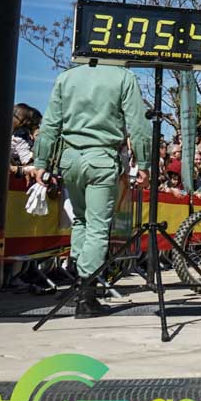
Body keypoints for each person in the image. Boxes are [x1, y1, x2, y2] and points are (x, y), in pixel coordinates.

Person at [31, 64, 151, 318]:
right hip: (102, 159)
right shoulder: (124, 77)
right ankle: (87, 294)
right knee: (97, 226)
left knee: (81, 221)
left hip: (70, 160)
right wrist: (143, 163)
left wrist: (41, 162)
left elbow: (50, 124)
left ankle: (77, 283)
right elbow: (138, 124)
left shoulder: (65, 78)